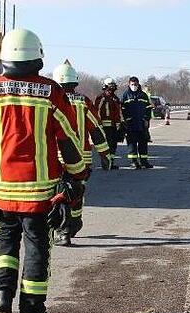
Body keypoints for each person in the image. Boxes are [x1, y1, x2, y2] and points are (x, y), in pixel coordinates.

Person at [0, 28, 90, 313]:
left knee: (4, 242)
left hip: (2, 191)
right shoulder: (51, 92)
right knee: (37, 248)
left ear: (4, 57)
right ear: (38, 57)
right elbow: (68, 139)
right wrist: (78, 175)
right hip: (40, 194)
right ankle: (32, 312)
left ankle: (2, 296)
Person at [52, 60, 111, 247]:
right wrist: (105, 154)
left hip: (56, 158)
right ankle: (75, 222)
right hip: (82, 158)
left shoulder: (50, 101)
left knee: (60, 193)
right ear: (74, 81)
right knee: (77, 190)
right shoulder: (83, 101)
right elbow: (96, 130)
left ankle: (63, 230)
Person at [121, 76, 154, 169]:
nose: (134, 86)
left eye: (135, 84)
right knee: (132, 144)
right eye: (132, 84)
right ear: (129, 84)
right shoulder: (125, 95)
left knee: (143, 143)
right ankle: (133, 162)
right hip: (131, 124)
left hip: (142, 124)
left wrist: (147, 119)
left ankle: (144, 161)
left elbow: (148, 108)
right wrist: (126, 120)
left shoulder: (143, 95)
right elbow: (122, 109)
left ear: (138, 84)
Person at [95, 77, 123, 170]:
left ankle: (111, 162)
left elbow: (119, 112)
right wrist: (99, 124)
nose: (112, 87)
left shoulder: (115, 98)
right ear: (106, 86)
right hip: (105, 126)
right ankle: (105, 163)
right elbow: (96, 111)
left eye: (113, 85)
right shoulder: (101, 97)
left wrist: (121, 123)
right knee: (106, 145)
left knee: (113, 145)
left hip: (114, 126)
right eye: (111, 85)